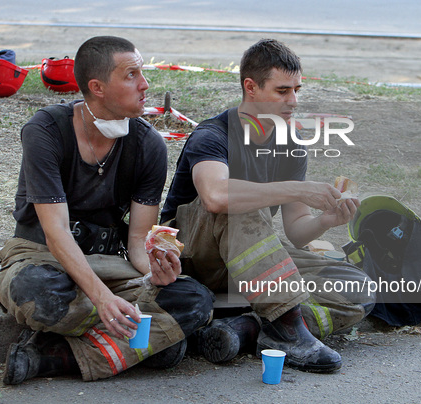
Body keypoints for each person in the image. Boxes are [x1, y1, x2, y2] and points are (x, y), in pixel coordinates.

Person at [0, 36, 213, 385]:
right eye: (131, 75)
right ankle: (147, 345)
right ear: (97, 87)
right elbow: (56, 232)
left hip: (110, 263)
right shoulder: (45, 131)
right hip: (44, 255)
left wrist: (156, 270)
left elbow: (139, 238)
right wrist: (103, 299)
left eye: (143, 73)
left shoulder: (149, 145)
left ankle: (55, 356)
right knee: (34, 291)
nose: (145, 84)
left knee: (193, 298)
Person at [160, 39, 376, 373]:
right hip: (192, 257)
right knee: (241, 205)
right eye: (282, 91)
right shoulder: (213, 134)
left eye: (297, 89)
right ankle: (288, 330)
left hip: (250, 260)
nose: (294, 101)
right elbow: (215, 196)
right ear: (251, 87)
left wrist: (326, 220)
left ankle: (246, 331)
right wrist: (298, 189)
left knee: (358, 288)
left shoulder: (291, 144)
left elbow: (297, 232)